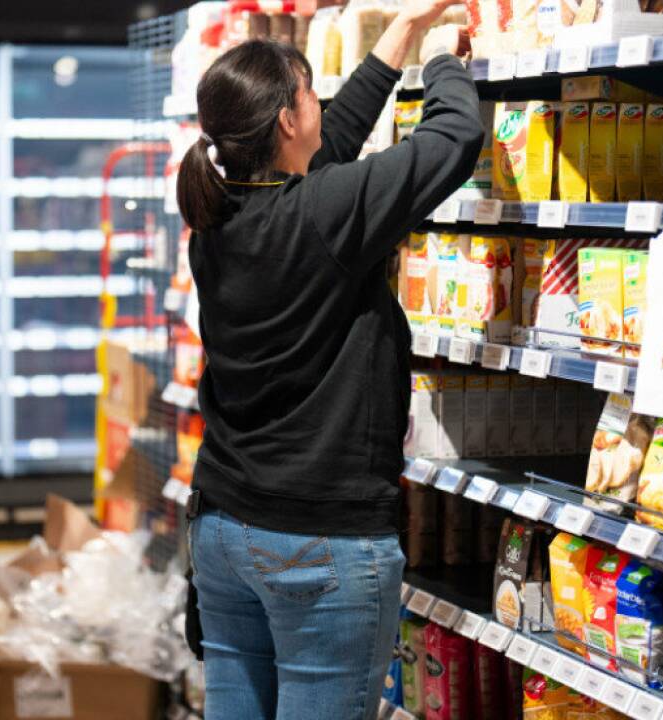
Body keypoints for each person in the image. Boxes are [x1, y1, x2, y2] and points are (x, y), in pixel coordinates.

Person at [176, 1, 484, 717]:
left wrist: (399, 39)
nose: (319, 104)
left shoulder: (217, 218)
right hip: (316, 539)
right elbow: (454, 138)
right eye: (311, 91)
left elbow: (333, 144)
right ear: (287, 119)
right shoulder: (324, 213)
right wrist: (443, 58)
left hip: (223, 526)